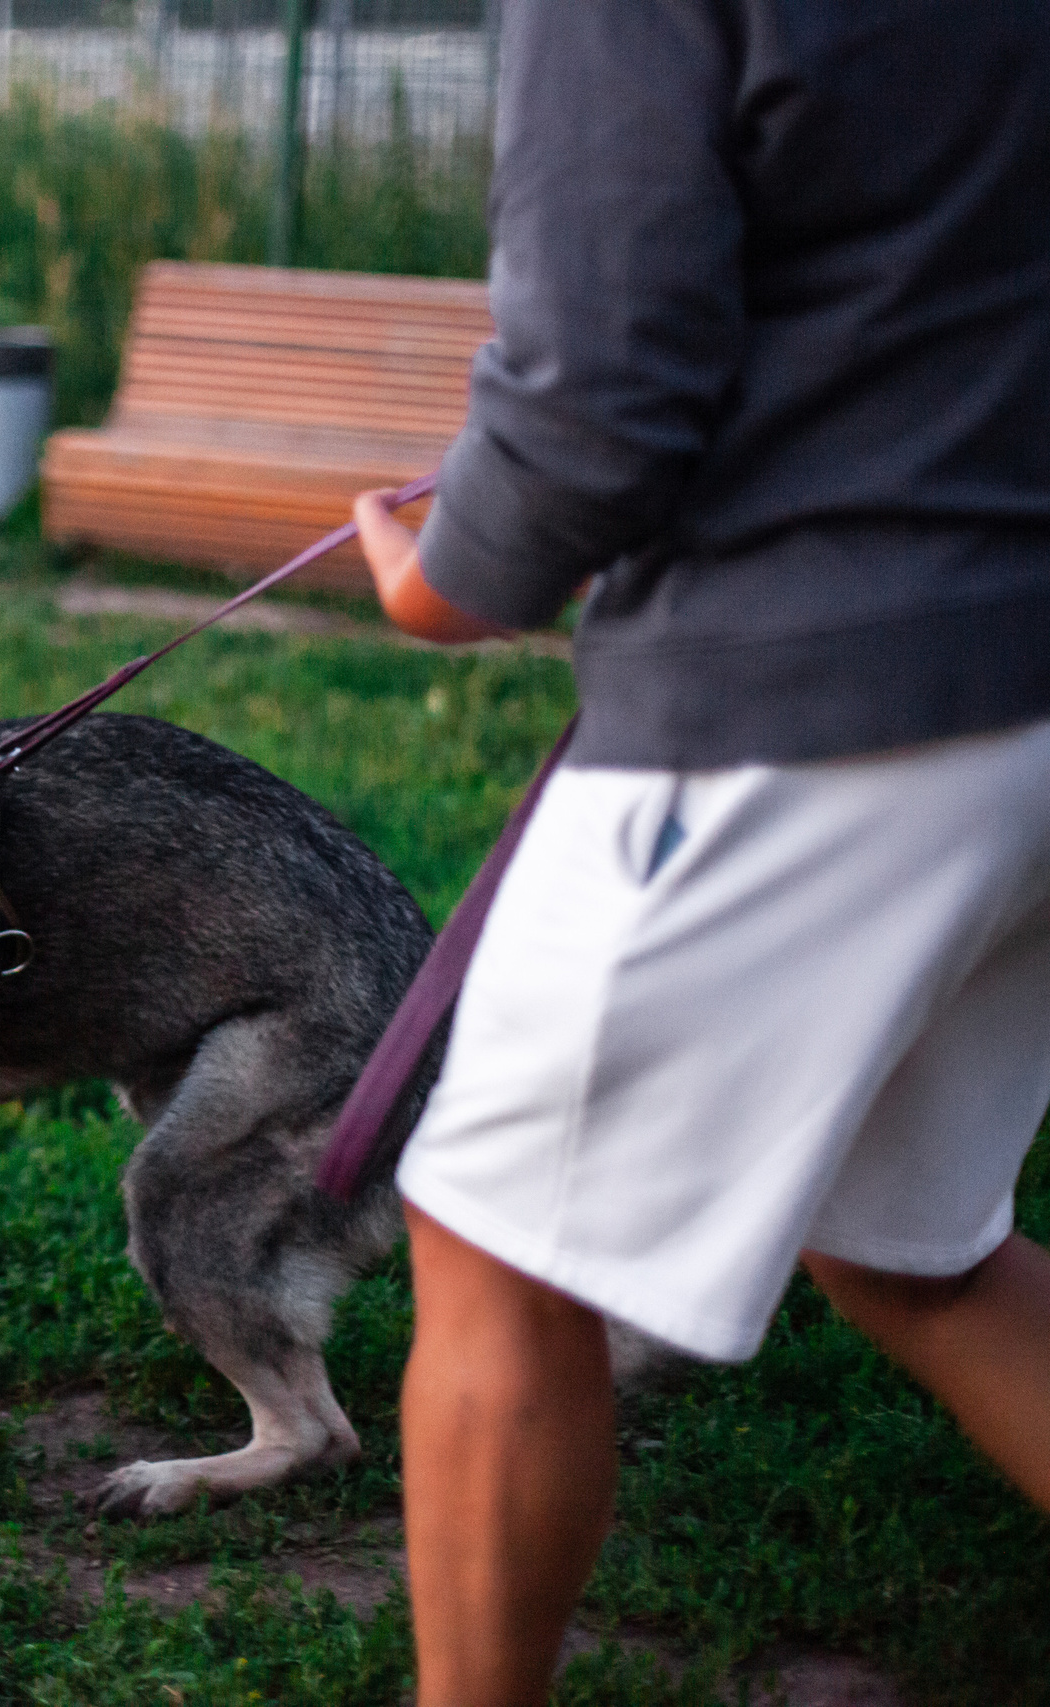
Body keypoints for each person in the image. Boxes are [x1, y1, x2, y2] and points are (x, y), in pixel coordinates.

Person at [346, 2, 1050, 1701]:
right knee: (915, 1249)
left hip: (815, 692)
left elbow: (599, 382)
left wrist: (448, 577)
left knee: (496, 1244)